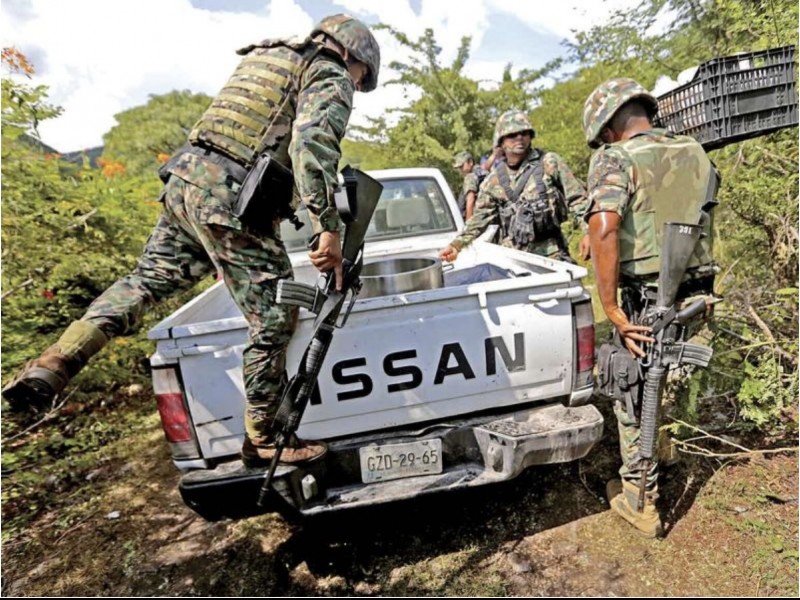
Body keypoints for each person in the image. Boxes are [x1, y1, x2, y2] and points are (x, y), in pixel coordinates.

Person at [2, 14, 381, 469]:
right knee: (276, 314)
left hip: (185, 184)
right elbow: (312, 145)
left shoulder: (270, 57)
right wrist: (327, 227)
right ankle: (265, 437)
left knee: (145, 281)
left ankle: (58, 359)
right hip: (230, 199)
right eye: (360, 78)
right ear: (352, 55)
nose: (354, 87)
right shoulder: (328, 70)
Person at [582, 78, 718, 537]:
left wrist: (611, 308)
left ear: (607, 128)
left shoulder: (614, 158)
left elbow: (605, 226)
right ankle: (664, 451)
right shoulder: (693, 149)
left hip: (648, 299)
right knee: (672, 379)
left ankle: (640, 499)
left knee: (631, 390)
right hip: (698, 294)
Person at [440, 110, 589, 263]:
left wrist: (589, 232)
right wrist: (456, 245)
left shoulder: (549, 163)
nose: (519, 138)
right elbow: (479, 219)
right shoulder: (493, 181)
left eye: (524, 133)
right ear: (501, 142)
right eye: (512, 135)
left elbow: (578, 199)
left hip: (553, 255)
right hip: (514, 258)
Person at [452, 151, 486, 221]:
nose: (460, 170)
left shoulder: (470, 177)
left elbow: (470, 201)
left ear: (470, 162)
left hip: (475, 220)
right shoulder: (484, 173)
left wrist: (469, 223)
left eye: (461, 166)